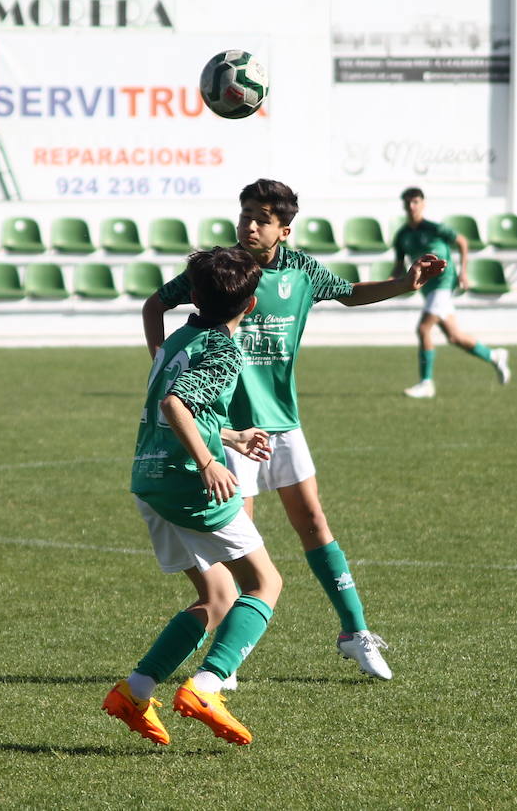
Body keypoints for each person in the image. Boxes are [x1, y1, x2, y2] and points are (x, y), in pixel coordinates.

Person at [142, 179, 445, 682]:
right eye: (244, 215)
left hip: (283, 424)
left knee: (315, 524)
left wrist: (403, 284)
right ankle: (227, 660)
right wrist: (161, 363)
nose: (249, 225)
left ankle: (355, 631)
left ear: (285, 228)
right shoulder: (225, 272)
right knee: (242, 546)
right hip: (230, 431)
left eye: (261, 218)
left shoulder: (302, 271)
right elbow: (156, 305)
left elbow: (348, 293)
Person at [105, 245, 280, 746]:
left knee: (217, 596)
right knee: (264, 583)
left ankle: (134, 692)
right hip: (189, 482)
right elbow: (176, 403)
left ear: (194, 297)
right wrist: (209, 462)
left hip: (149, 478)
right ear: (249, 307)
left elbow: (180, 409)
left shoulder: (179, 337)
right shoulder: (225, 349)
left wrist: (231, 437)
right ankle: (207, 685)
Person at [392, 187, 510, 398]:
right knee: (454, 337)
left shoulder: (436, 229)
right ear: (403, 206)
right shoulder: (402, 236)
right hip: (427, 289)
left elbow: (462, 242)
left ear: (423, 204)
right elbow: (398, 266)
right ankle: (494, 356)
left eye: (416, 202)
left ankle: (426, 383)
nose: (412, 206)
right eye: (408, 203)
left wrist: (463, 272)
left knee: (423, 329)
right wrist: (392, 282)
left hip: (443, 284)